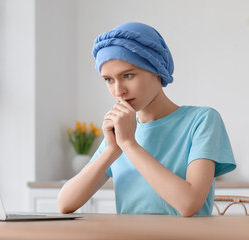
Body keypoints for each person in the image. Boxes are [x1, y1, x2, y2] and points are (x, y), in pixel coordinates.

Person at [57, 22, 236, 217]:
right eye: (108, 79)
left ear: (156, 68)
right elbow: (65, 204)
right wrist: (111, 150)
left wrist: (129, 144)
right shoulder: (120, 132)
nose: (118, 91)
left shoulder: (201, 121)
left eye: (128, 75)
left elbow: (189, 203)